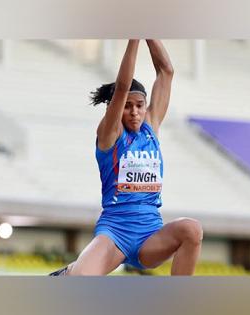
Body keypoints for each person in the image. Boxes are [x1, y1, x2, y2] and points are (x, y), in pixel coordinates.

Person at [50, 39, 203, 276]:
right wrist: (134, 38)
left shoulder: (150, 127)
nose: (134, 112)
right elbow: (121, 87)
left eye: (140, 105)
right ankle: (69, 272)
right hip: (115, 232)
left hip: (150, 235)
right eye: (127, 106)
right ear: (116, 108)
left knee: (192, 229)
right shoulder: (110, 133)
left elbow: (166, 71)